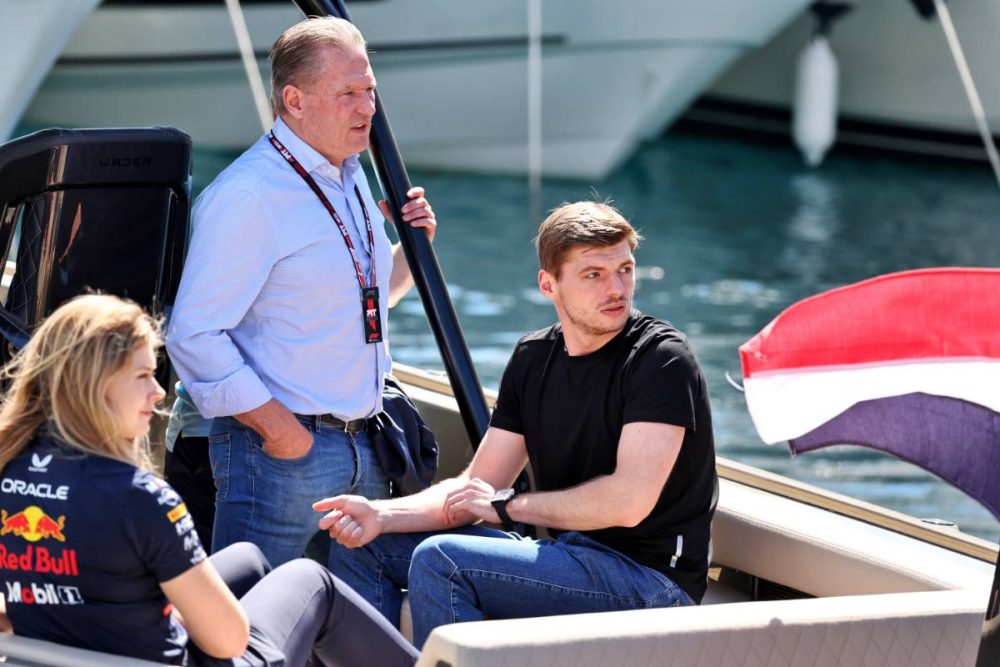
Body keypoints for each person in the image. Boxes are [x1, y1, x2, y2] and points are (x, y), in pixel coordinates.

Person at [316, 201, 719, 648]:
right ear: (549, 284)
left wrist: (508, 506)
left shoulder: (661, 359)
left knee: (443, 559)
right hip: (569, 557)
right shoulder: (534, 358)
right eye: (594, 274)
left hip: (651, 583)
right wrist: (380, 514)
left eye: (625, 269)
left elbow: (627, 503)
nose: (616, 288)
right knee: (364, 544)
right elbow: (478, 486)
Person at [0, 294, 418, 667]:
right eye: (143, 376)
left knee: (248, 560)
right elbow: (228, 641)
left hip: (63, 653)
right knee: (311, 581)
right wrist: (173, 615)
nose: (158, 392)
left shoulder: (9, 468)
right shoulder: (141, 499)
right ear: (96, 386)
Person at [165, 16, 437, 566]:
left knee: (339, 615)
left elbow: (359, 305)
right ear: (294, 100)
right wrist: (283, 434)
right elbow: (193, 335)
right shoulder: (249, 194)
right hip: (283, 456)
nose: (368, 108)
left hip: (362, 447)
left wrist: (412, 251)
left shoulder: (349, 175)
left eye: (370, 90)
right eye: (348, 94)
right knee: (256, 612)